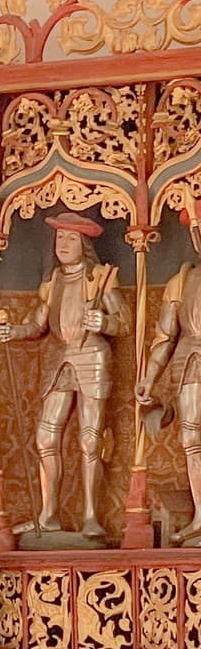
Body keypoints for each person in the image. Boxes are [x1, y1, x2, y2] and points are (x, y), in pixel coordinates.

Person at [0, 211, 131, 538]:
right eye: (60, 238)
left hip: (91, 358)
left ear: (83, 243)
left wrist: (103, 323)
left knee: (90, 440)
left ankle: (91, 516)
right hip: (58, 359)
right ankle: (49, 514)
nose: (64, 244)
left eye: (71, 238)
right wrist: (11, 331)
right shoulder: (53, 282)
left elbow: (125, 321)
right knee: (45, 437)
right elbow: (37, 325)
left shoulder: (99, 279)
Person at [141, 207, 201, 543]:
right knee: (191, 440)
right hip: (188, 363)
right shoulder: (182, 280)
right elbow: (165, 336)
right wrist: (149, 377)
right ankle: (200, 515)